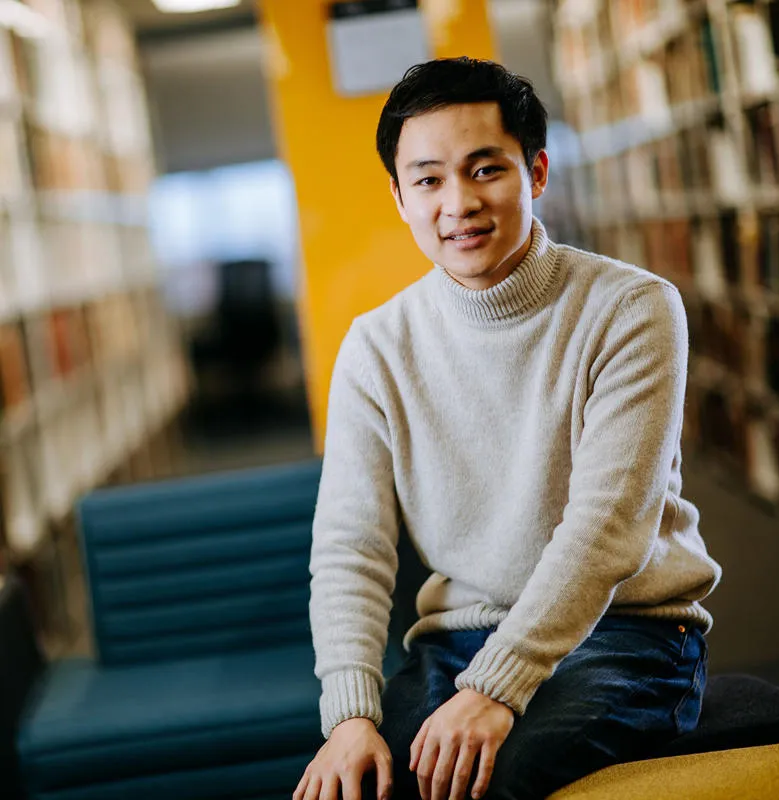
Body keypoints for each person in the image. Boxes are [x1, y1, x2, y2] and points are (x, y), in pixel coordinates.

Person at [293, 57, 722, 800]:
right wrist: (349, 716)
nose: (457, 204)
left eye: (484, 169)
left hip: (626, 631)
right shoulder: (375, 345)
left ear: (538, 172)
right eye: (428, 179)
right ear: (398, 197)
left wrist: (495, 688)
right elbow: (350, 546)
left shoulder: (633, 309)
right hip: (458, 635)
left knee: (498, 782)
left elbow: (607, 531)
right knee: (359, 784)